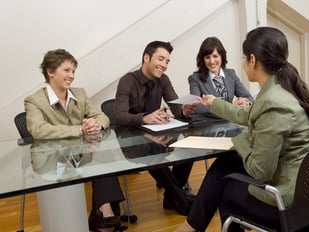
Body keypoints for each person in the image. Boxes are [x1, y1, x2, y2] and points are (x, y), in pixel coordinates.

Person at [174, 27, 309, 232]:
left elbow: (260, 171)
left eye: (244, 58)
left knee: (226, 190)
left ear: (253, 60)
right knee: (224, 164)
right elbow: (248, 115)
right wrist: (214, 103)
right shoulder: (284, 86)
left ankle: (191, 227)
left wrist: (239, 141)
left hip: (293, 203)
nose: (243, 63)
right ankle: (191, 227)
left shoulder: (273, 101)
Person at [24, 49, 126, 232]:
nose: (71, 76)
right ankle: (104, 217)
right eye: (67, 70)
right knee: (101, 161)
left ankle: (104, 213)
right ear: (50, 71)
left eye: (73, 71)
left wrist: (96, 125)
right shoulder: (34, 100)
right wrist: (80, 129)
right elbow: (38, 129)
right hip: (53, 160)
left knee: (105, 156)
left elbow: (103, 117)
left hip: (80, 155)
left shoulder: (79, 94)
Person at [115, 41, 197, 216]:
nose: (164, 65)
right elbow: (119, 116)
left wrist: (184, 109)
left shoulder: (163, 80)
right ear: (146, 57)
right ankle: (181, 200)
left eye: (167, 61)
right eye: (161, 59)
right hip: (133, 143)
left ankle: (172, 197)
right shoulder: (127, 81)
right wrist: (144, 118)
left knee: (191, 147)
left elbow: (175, 106)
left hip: (158, 137)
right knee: (152, 157)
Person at [189, 36, 254, 114]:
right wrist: (231, 106)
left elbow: (248, 97)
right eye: (207, 57)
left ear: (221, 56)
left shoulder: (231, 74)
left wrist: (245, 103)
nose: (212, 61)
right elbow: (197, 107)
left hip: (231, 121)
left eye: (215, 56)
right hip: (209, 123)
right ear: (203, 59)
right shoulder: (195, 79)